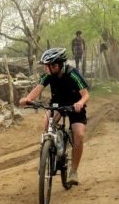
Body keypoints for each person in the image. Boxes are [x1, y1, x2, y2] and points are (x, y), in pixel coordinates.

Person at [19, 47, 89, 185]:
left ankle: (73, 171)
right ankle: (47, 153)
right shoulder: (48, 75)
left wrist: (80, 103)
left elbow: (86, 95)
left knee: (79, 135)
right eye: (45, 66)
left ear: (57, 65)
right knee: (46, 123)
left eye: (48, 66)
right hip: (57, 105)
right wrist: (27, 99)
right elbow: (37, 89)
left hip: (75, 106)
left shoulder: (73, 73)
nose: (46, 69)